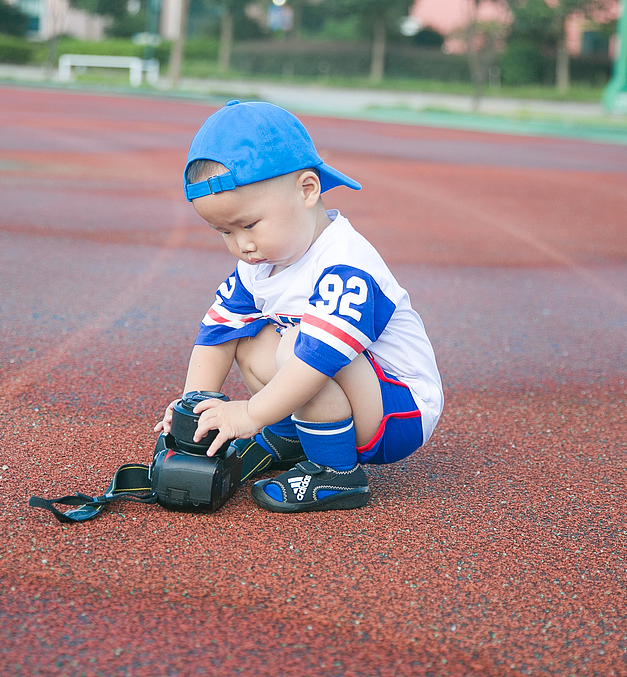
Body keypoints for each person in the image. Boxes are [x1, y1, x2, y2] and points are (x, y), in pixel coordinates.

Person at [154, 100, 442, 513]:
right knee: (249, 340)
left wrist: (251, 414)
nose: (242, 245)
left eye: (249, 224)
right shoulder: (258, 267)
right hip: (354, 386)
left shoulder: (345, 264)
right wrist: (193, 407)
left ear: (307, 190)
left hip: (398, 410)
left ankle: (337, 474)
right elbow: (216, 334)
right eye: (224, 231)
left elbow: (320, 358)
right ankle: (293, 436)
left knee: (297, 348)